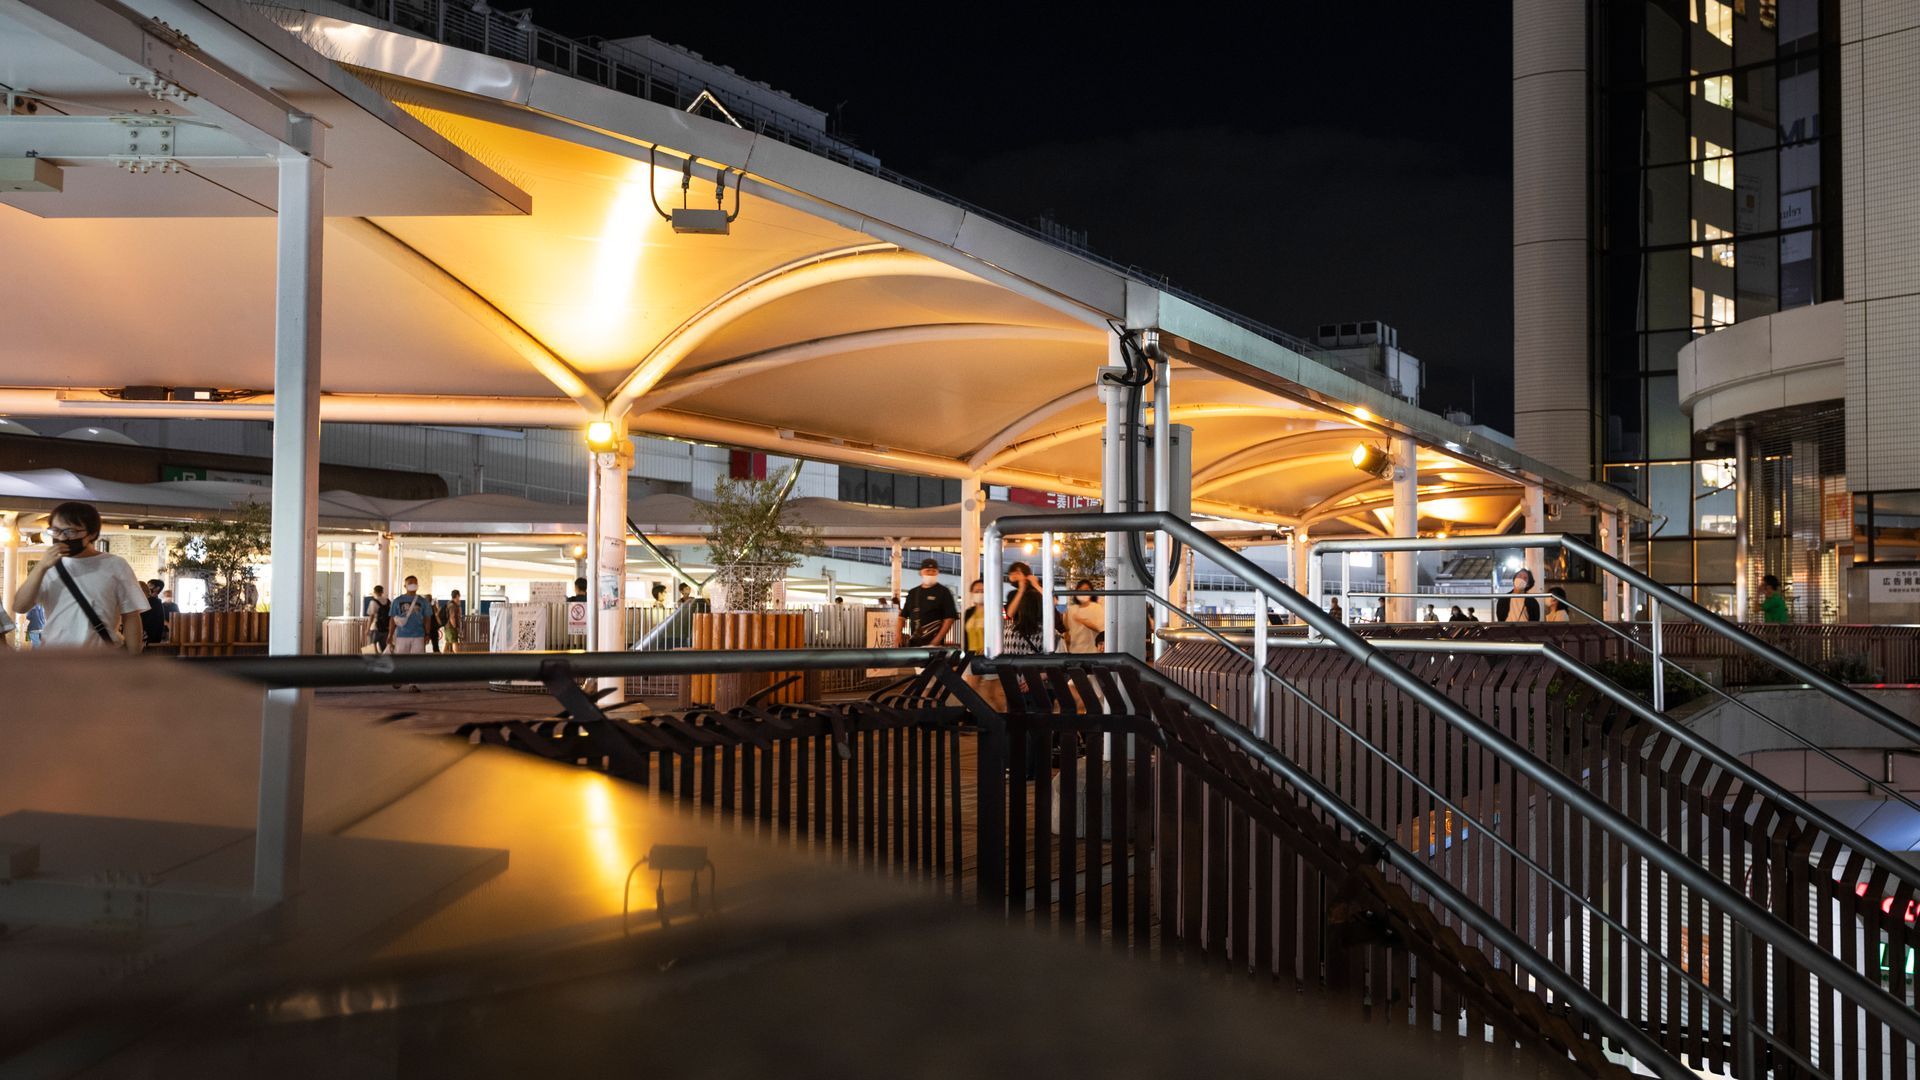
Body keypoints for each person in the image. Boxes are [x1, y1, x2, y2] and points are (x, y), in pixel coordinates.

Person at [10, 501, 147, 651]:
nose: (62, 537)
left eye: (70, 532)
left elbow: (131, 615)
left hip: (102, 658)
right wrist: (41, 567)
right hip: (54, 658)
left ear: (92, 534)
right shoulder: (47, 566)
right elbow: (20, 607)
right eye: (55, 531)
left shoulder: (115, 565)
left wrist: (132, 660)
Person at [899, 557, 958, 647]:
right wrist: (898, 635)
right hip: (915, 643)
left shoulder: (943, 592)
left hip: (935, 644)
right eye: (927, 570)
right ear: (921, 572)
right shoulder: (913, 593)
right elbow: (902, 617)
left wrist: (936, 641)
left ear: (937, 572)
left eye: (934, 571)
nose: (930, 573)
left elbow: (949, 619)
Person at [388, 576, 435, 692]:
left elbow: (427, 618)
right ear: (405, 586)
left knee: (417, 661)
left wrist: (427, 633)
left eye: (415, 583)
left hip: (418, 635)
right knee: (401, 660)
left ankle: (413, 684)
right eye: (410, 583)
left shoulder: (423, 602)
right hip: (402, 636)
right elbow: (392, 619)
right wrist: (390, 634)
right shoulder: (397, 601)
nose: (413, 584)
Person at [1001, 561, 1044, 654]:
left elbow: (1053, 601)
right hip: (1019, 633)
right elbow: (1010, 613)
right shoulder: (1012, 594)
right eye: (1011, 574)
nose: (1014, 576)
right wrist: (1021, 590)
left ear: (1027, 575)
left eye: (1017, 573)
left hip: (1038, 630)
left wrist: (1036, 585)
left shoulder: (1037, 590)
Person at [1063, 579, 1105, 654]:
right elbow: (1067, 630)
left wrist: (1084, 621)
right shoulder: (1071, 609)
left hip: (1092, 651)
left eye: (1086, 590)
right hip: (1074, 651)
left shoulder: (1096, 608)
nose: (1083, 592)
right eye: (1080, 590)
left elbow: (1101, 629)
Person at [140, 578, 176, 644]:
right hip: (151, 637)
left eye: (150, 586)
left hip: (149, 638)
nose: (147, 588)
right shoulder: (155, 602)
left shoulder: (153, 602)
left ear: (157, 588)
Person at [961, 579, 987, 653]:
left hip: (987, 656)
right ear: (971, 593)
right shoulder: (969, 612)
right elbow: (966, 636)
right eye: (976, 591)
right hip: (970, 655)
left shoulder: (992, 611)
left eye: (982, 591)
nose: (980, 593)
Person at [364, 585, 391, 653]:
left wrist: (367, 629)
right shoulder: (388, 601)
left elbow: (371, 617)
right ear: (382, 592)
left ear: (374, 592)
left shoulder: (373, 602)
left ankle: (372, 662)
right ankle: (383, 661)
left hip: (375, 628)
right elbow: (391, 616)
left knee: (371, 647)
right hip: (385, 629)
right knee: (383, 647)